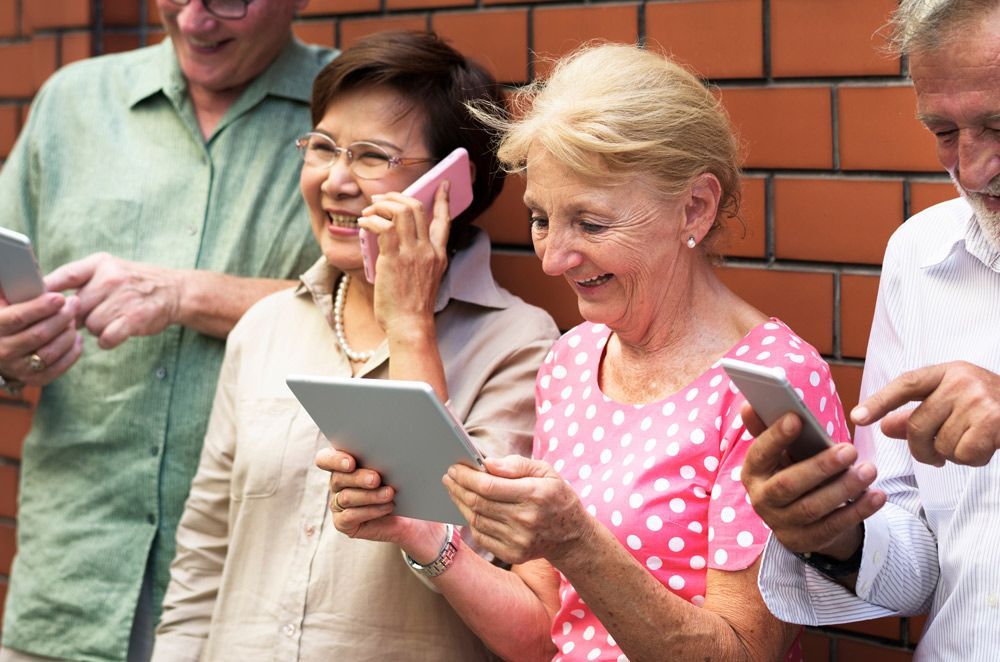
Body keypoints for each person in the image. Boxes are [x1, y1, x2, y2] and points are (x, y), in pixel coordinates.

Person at [319, 43, 852, 661]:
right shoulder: (573, 360)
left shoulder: (773, 379)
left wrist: (576, 543)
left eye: (592, 224)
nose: (553, 259)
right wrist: (417, 532)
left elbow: (740, 653)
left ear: (695, 209)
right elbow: (545, 632)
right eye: (542, 219)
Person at [152, 31, 559, 660]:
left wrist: (411, 326)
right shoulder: (264, 327)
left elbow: (471, 554)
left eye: (372, 156)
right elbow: (206, 549)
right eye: (322, 147)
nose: (336, 181)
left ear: (454, 184)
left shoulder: (520, 345)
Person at [0, 1, 335, 660]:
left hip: (260, 586)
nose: (193, 20)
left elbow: (386, 311)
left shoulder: (355, 108)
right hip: (71, 577)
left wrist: (185, 293)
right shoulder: (72, 100)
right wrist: (9, 350)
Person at [741, 1, 1000, 659]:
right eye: (943, 130)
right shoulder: (920, 256)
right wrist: (835, 533)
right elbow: (920, 568)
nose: (970, 170)